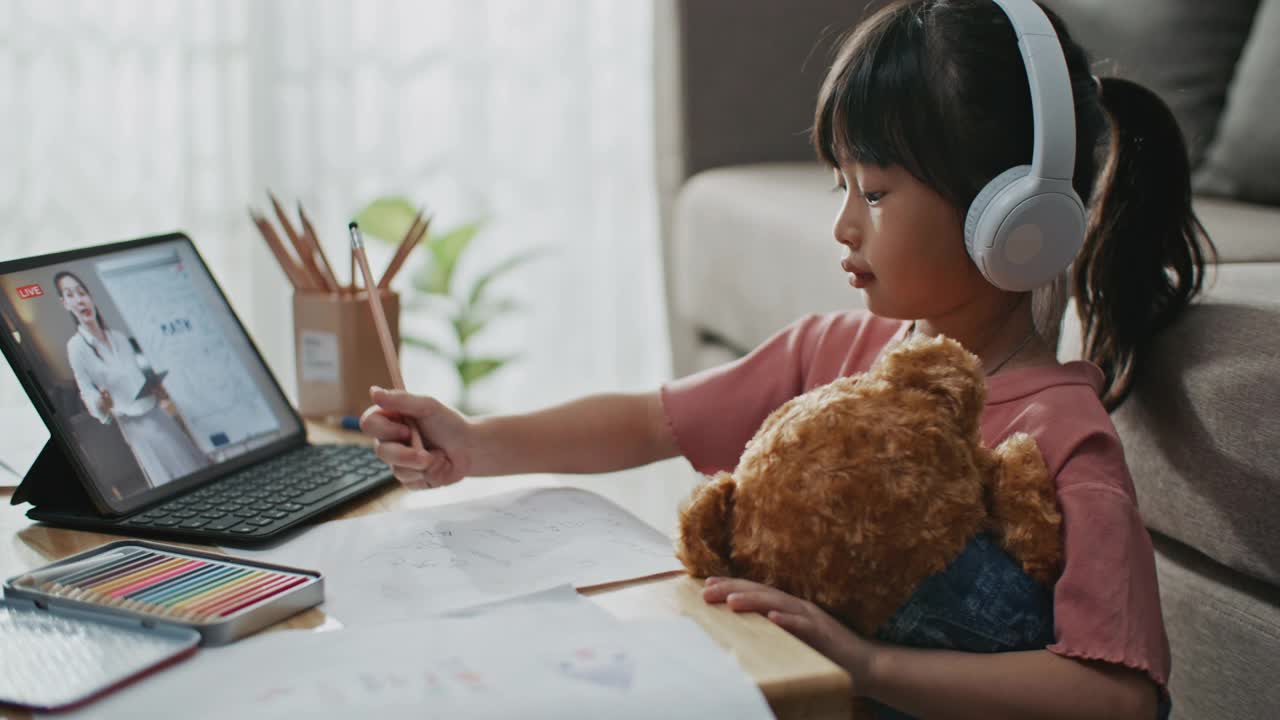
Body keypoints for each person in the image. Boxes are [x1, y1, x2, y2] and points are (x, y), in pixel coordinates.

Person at [360, 1, 1214, 716]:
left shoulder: (1059, 433)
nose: (844, 224)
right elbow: (648, 419)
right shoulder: (833, 353)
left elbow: (1121, 692)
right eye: (838, 185)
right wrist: (475, 444)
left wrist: (868, 666)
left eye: (875, 192)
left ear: (1011, 214)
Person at [56, 271, 210, 488]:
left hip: (158, 414)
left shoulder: (118, 337)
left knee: (193, 466)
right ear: (65, 304)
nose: (79, 300)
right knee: (170, 478)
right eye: (70, 295)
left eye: (82, 292)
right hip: (135, 426)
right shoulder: (76, 347)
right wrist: (102, 404)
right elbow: (87, 393)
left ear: (90, 297)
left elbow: (140, 375)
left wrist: (156, 387)